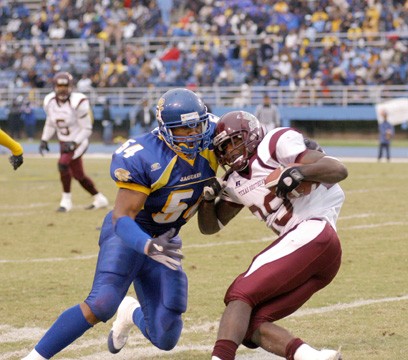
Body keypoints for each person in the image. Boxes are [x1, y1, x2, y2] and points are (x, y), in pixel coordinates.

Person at [22, 88, 219, 360]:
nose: (194, 132)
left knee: (165, 337)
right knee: (101, 303)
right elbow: (121, 218)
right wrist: (148, 246)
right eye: (184, 129)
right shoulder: (145, 156)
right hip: (130, 234)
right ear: (165, 129)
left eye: (197, 124)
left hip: (166, 239)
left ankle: (129, 313)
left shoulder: (215, 139)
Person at [198, 111, 348, 360]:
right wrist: (206, 200)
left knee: (239, 294)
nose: (230, 151)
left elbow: (338, 169)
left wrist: (299, 172)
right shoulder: (234, 181)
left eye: (234, 141)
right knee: (249, 323)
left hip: (313, 231)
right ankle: (312, 356)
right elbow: (211, 226)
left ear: (251, 134)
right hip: (317, 253)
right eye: (224, 147)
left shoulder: (274, 144)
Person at [38, 71, 109, 212]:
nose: (62, 89)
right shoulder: (50, 102)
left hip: (78, 141)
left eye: (65, 86)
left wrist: (75, 143)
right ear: (54, 87)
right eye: (59, 86)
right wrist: (44, 139)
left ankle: (66, 201)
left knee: (63, 164)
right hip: (63, 142)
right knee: (79, 175)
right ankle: (100, 198)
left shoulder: (78, 102)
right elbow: (51, 123)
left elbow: (87, 129)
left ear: (71, 87)